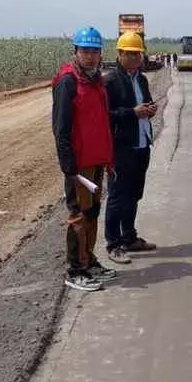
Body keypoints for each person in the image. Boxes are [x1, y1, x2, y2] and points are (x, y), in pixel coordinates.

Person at [52, 26, 118, 291]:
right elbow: (61, 128)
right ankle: (75, 270)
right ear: (76, 52)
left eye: (94, 52)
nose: (90, 57)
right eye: (85, 51)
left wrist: (108, 158)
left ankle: (89, 261)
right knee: (78, 215)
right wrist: (68, 165)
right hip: (79, 165)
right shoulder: (68, 82)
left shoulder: (96, 81)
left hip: (97, 159)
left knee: (92, 212)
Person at [104, 31, 159, 264]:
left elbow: (143, 105)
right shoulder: (110, 82)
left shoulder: (141, 79)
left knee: (134, 194)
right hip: (121, 147)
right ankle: (113, 244)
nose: (136, 59)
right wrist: (132, 113)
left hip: (141, 144)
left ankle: (129, 237)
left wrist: (150, 109)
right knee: (117, 196)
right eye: (131, 54)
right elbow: (105, 116)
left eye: (138, 54)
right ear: (119, 54)